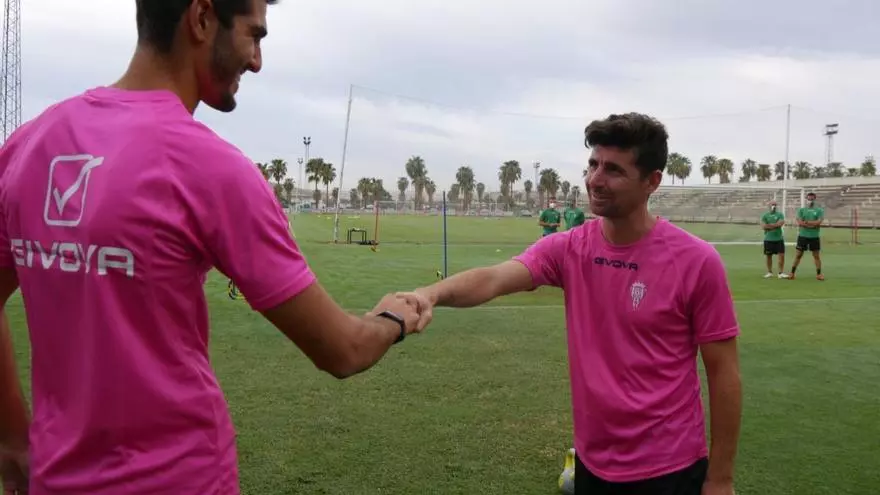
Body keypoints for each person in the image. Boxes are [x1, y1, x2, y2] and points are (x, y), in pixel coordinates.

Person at [0, 1, 426, 493]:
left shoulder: (30, 144)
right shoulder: (213, 168)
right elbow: (343, 350)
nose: (257, 61)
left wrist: (12, 438)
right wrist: (393, 319)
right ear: (201, 18)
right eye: (254, 35)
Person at [400, 113, 742, 495]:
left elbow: (724, 374)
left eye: (613, 170)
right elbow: (494, 278)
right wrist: (430, 294)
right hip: (592, 463)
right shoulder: (569, 248)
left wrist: (721, 478)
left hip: (669, 469)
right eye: (593, 164)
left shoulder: (697, 261)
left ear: (652, 181)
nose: (595, 179)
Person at [789, 191, 824, 280]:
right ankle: (792, 273)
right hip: (803, 236)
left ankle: (819, 274)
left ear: (815, 200)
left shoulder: (819, 210)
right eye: (809, 199)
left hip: (814, 236)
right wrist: (812, 224)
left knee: (816, 256)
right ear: (806, 200)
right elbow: (800, 222)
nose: (810, 201)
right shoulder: (801, 210)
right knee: (798, 255)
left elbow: (818, 222)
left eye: (812, 199)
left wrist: (807, 222)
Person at [760, 200, 789, 279]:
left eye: (775, 205)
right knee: (768, 256)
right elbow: (763, 226)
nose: (774, 206)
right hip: (768, 239)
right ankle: (769, 272)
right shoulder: (765, 215)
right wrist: (775, 225)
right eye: (772, 204)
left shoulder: (780, 214)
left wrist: (769, 225)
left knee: (781, 256)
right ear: (769, 206)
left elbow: (780, 224)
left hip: (779, 239)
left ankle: (781, 273)